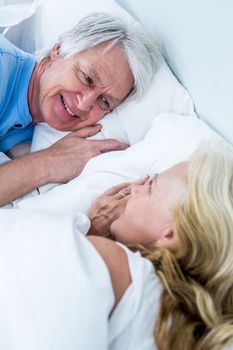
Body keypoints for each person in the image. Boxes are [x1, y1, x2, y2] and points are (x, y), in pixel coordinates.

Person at [0, 12, 161, 206]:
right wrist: (49, 162)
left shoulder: (31, 127)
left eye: (104, 101)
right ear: (58, 51)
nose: (84, 104)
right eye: (87, 78)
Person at [86, 141, 233, 349]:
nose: (134, 188)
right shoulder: (199, 326)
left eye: (150, 186)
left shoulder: (111, 264)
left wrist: (89, 232)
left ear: (170, 234)